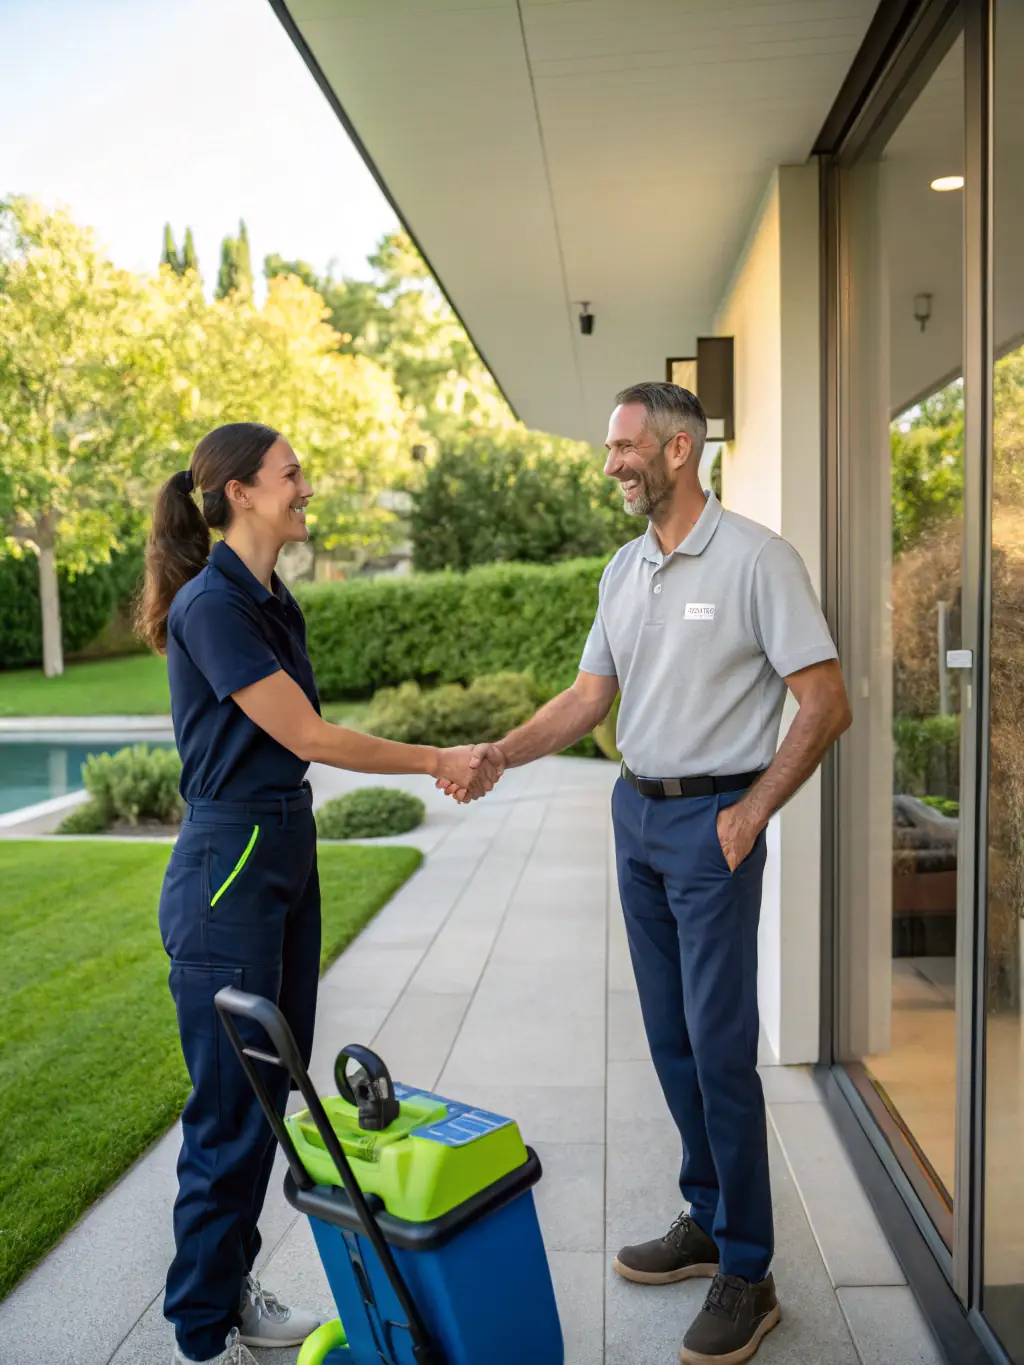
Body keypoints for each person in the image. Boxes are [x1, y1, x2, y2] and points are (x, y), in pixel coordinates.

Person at [440, 382, 851, 1364]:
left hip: (714, 823)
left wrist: (750, 813)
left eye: (624, 447)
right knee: (669, 1041)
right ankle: (707, 1217)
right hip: (637, 817)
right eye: (610, 449)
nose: (611, 463)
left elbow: (825, 701)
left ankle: (747, 1274)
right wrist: (499, 751)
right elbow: (588, 700)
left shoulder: (758, 558)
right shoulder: (623, 571)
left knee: (717, 1049)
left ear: (676, 451)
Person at [137, 422, 497, 1365]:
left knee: (272, 1093)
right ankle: (201, 1324)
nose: (307, 485)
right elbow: (306, 732)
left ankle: (225, 1293)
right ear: (240, 493)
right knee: (232, 1103)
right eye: (291, 473)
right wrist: (438, 759)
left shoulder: (266, 597)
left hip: (279, 850)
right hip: (232, 865)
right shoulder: (212, 605)